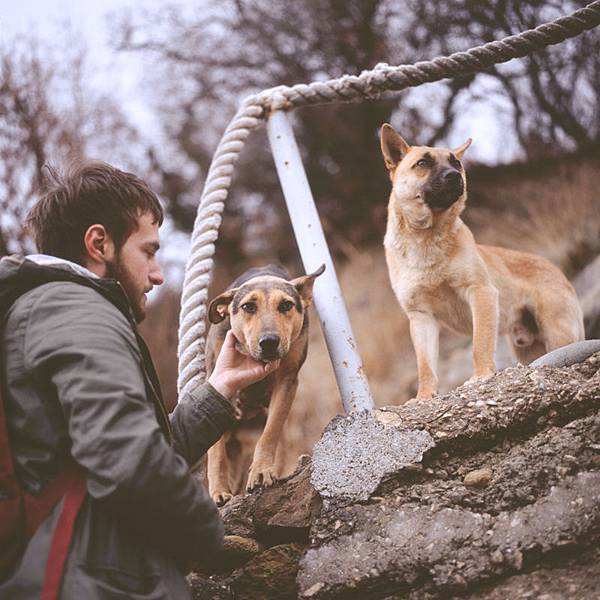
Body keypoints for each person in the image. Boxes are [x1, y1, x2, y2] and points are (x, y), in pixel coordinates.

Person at [0, 161, 279, 599]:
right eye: (148, 252)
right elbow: (129, 457)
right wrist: (208, 535)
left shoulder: (53, 311)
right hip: (89, 582)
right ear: (99, 243)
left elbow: (129, 452)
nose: (158, 274)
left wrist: (220, 387)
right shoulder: (73, 308)